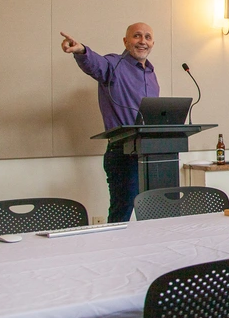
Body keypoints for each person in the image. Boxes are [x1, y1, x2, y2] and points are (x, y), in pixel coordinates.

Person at [61, 23, 160, 222]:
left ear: (153, 43)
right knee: (121, 214)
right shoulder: (114, 64)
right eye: (137, 36)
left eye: (148, 37)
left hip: (151, 154)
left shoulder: (151, 74)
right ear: (125, 41)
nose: (143, 41)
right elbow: (95, 64)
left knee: (153, 214)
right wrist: (81, 51)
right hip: (123, 154)